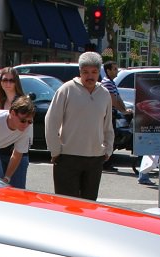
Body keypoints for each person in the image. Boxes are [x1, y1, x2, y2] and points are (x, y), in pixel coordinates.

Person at [45, 51, 114, 201]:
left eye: (94, 72)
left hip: (95, 158)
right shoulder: (66, 90)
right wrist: (55, 150)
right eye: (85, 72)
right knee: (67, 205)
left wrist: (108, 149)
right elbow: (51, 122)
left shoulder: (104, 93)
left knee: (89, 205)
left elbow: (108, 125)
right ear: (80, 72)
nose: (90, 76)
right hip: (68, 158)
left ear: (99, 72)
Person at [0, 67, 31, 188]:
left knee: (17, 196)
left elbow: (25, 131)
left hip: (18, 155)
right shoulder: (0, 102)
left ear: (16, 82)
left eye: (11, 80)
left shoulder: (23, 103)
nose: (8, 83)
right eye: (5, 80)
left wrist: (8, 176)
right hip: (0, 153)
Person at [101, 60, 132, 172]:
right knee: (108, 139)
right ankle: (105, 163)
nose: (117, 71)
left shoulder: (112, 82)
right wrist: (123, 111)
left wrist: (124, 110)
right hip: (108, 115)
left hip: (113, 114)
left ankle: (107, 162)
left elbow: (118, 98)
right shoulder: (107, 83)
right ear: (108, 71)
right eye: (114, 69)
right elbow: (113, 101)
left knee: (111, 138)